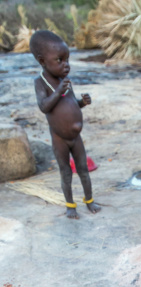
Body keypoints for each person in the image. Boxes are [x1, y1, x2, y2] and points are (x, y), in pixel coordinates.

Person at [29, 30, 101, 219]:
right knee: (66, 173)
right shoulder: (41, 82)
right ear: (42, 61)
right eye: (59, 60)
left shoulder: (64, 81)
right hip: (60, 139)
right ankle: (70, 205)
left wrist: (82, 103)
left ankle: (89, 200)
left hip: (76, 137)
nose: (66, 65)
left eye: (67, 60)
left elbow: (70, 104)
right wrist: (58, 91)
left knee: (83, 170)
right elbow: (44, 106)